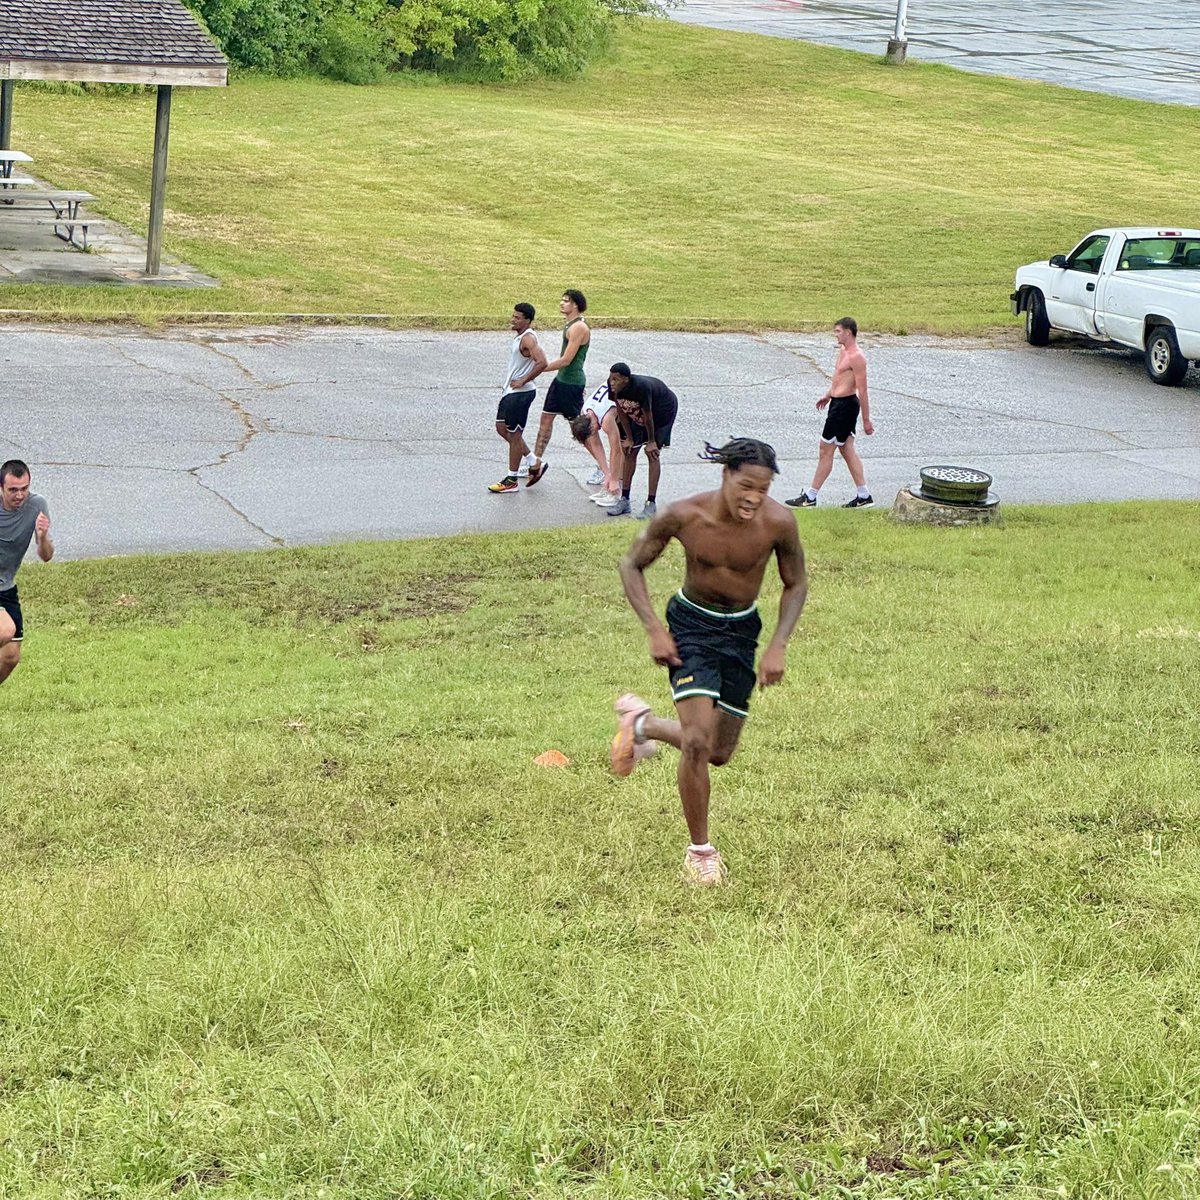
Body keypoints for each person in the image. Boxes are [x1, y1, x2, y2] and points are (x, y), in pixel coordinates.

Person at [611, 439, 807, 886]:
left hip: (742, 633)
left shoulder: (779, 522)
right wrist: (654, 630)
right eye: (746, 486)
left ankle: (642, 726)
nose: (754, 498)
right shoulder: (683, 515)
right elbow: (631, 565)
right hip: (691, 628)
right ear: (725, 475)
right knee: (698, 741)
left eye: (763, 488)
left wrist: (778, 644)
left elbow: (795, 583)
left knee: (717, 752)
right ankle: (701, 852)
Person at [785, 317, 875, 509]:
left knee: (825, 450)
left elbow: (863, 389)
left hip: (845, 408)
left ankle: (810, 496)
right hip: (837, 403)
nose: (836, 335)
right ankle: (864, 495)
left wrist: (866, 420)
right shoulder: (843, 351)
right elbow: (838, 379)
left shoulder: (857, 357)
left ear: (848, 332)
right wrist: (828, 395)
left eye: (838, 331)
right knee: (847, 449)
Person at [526, 289, 590, 487]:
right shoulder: (570, 324)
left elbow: (566, 360)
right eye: (562, 300)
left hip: (571, 383)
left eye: (566, 301)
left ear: (576, 305)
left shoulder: (579, 327)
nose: (562, 304)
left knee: (580, 429)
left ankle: (603, 467)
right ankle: (535, 462)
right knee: (546, 419)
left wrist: (540, 368)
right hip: (561, 381)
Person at [0, 460, 55, 686]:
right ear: (1, 487)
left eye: (24, 488)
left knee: (11, 657)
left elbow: (46, 556)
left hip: (6, 586)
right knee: (5, 629)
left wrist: (42, 538)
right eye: (13, 489)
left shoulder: (37, 505)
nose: (20, 495)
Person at [606, 363, 679, 519]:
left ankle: (651, 503)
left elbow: (648, 415)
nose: (612, 382)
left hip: (661, 412)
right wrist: (629, 438)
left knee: (652, 454)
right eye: (611, 378)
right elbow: (621, 410)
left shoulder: (640, 387)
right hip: (638, 412)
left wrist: (651, 441)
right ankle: (624, 499)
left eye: (616, 379)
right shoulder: (612, 385)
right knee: (630, 451)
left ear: (625, 379)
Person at [488, 303, 548, 493]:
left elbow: (542, 363)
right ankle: (533, 462)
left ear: (527, 320)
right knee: (501, 428)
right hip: (510, 392)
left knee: (515, 435)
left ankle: (511, 479)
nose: (512, 320)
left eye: (517, 317)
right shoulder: (520, 338)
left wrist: (523, 380)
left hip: (521, 394)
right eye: (513, 316)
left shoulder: (528, 339)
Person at [569, 382, 624, 506]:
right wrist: (607, 474)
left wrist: (613, 479)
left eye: (593, 431)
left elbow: (616, 451)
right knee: (612, 469)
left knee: (623, 447)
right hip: (614, 401)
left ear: (591, 425)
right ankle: (611, 485)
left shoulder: (606, 420)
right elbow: (596, 445)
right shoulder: (586, 412)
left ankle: (616, 491)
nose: (595, 432)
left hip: (630, 398)